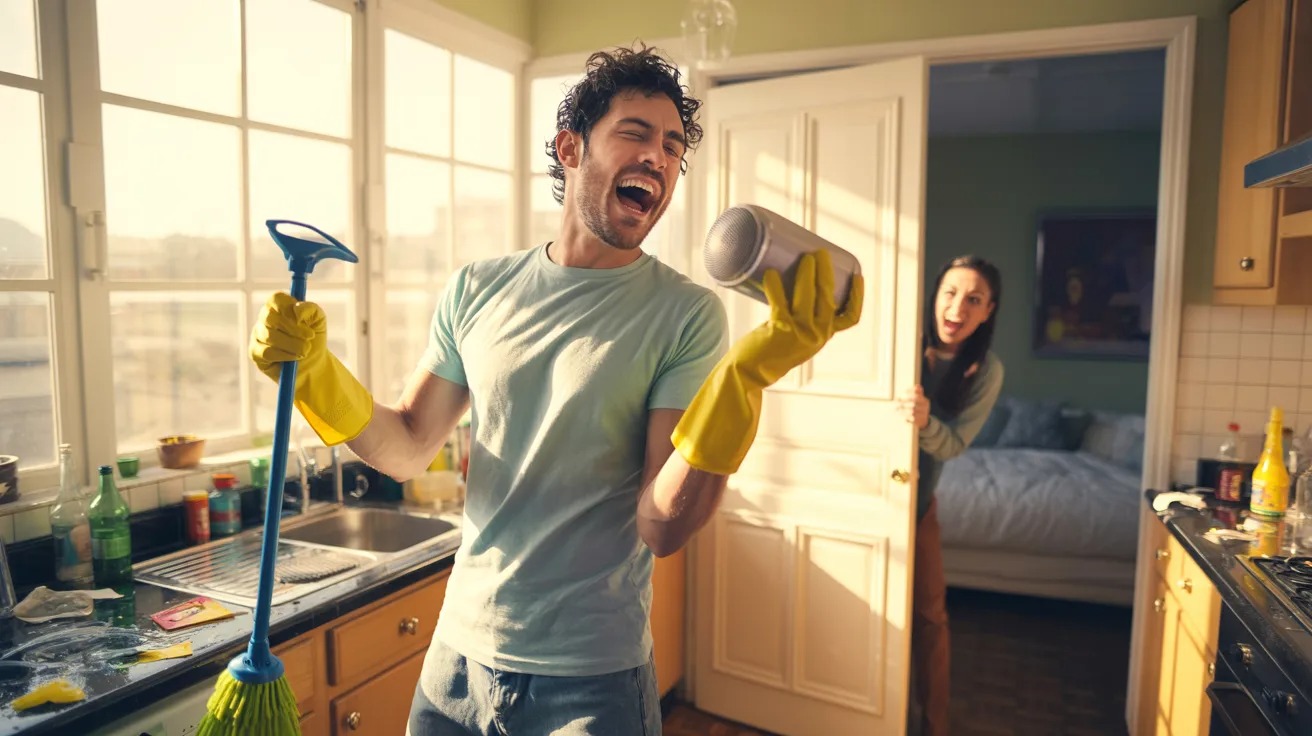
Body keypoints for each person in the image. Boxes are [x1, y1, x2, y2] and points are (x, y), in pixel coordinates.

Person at [249, 44, 863, 735]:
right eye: (635, 133)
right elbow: (406, 448)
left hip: (591, 682)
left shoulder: (684, 314)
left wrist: (742, 382)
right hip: (455, 664)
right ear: (572, 149)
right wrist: (316, 374)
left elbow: (662, 525)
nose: (658, 159)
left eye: (672, 148)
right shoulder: (477, 288)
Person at [899, 255, 1004, 736]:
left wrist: (924, 423)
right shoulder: (903, 340)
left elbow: (957, 443)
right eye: (950, 292)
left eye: (973, 299)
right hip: (874, 494)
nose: (958, 307)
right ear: (934, 295)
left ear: (988, 311)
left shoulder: (985, 370)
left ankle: (934, 724)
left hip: (919, 505)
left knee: (931, 617)